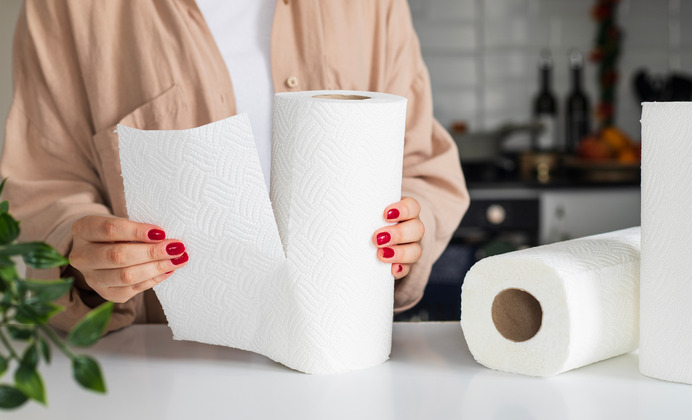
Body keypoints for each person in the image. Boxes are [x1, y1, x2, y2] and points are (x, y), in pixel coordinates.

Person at [0, 0, 469, 333]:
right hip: (162, 379)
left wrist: (407, 232)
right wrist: (86, 260)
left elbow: (421, 164)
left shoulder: (372, 5)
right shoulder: (65, 7)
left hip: (339, 351)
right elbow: (44, 179)